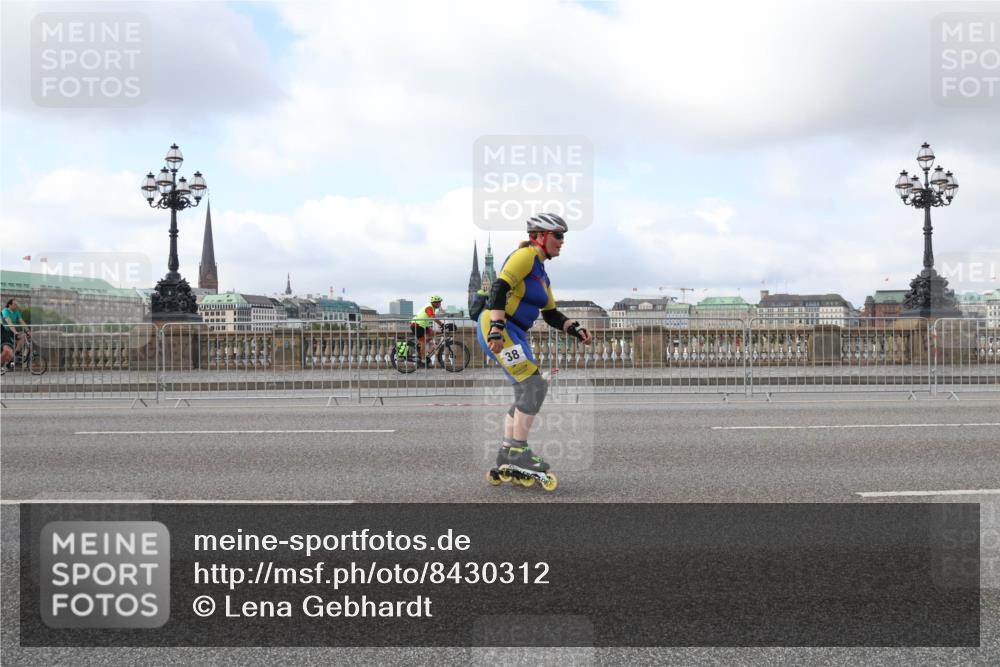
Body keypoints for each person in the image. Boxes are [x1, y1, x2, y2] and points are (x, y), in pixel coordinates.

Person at [477, 213, 593, 489]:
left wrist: (574, 328)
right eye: (558, 235)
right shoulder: (525, 256)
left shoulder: (542, 274)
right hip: (502, 329)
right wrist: (496, 328)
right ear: (539, 236)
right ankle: (518, 450)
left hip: (517, 334)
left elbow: (551, 314)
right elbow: (499, 287)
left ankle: (508, 451)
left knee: (525, 391)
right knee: (535, 387)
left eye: (564, 236)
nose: (562, 241)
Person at [410, 296, 445, 367]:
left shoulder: (433, 308)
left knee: (433, 333)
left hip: (423, 325)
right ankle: (423, 360)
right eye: (439, 303)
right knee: (423, 342)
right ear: (434, 303)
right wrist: (442, 324)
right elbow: (434, 318)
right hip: (417, 325)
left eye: (440, 302)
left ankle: (421, 346)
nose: (440, 304)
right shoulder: (429, 307)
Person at [2, 298, 25, 364]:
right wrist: (15, 332)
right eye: (15, 304)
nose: (16, 306)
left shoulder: (16, 312)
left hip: (12, 331)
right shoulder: (5, 311)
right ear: (10, 305)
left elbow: (21, 321)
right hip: (4, 332)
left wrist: (28, 330)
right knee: (6, 350)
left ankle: (15, 354)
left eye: (16, 304)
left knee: (23, 336)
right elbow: (9, 323)